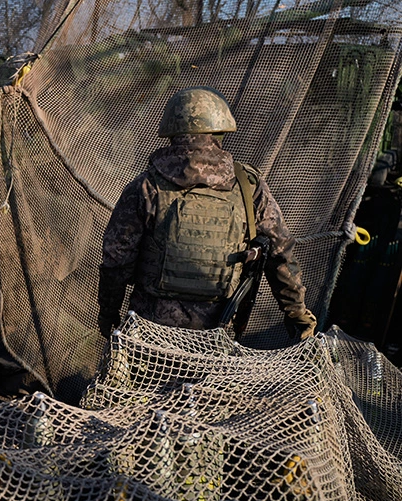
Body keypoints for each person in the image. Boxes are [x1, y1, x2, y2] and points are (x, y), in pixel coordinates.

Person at [97, 86, 317, 340]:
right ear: (220, 130)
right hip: (216, 333)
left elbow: (116, 260)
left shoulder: (145, 186)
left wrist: (108, 313)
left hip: (151, 332)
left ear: (172, 130)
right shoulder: (247, 185)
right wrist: (297, 313)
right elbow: (280, 252)